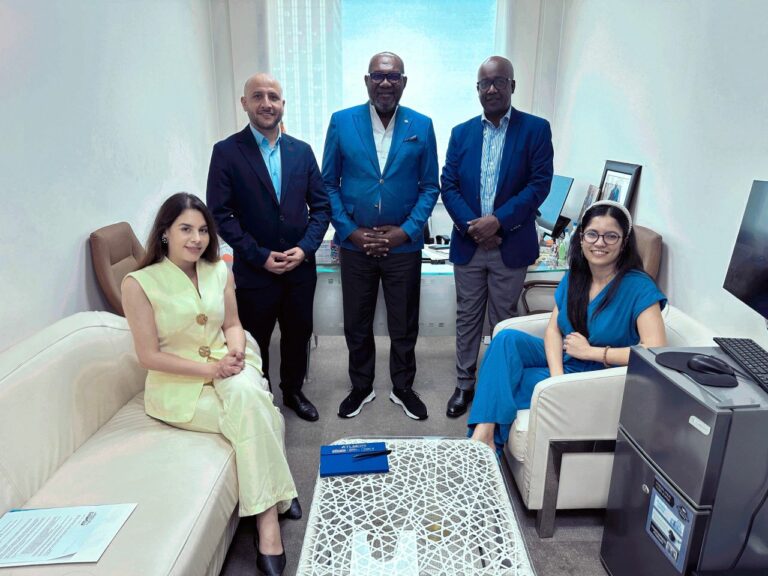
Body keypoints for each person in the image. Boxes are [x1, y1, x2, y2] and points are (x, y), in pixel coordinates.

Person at [122, 193, 299, 576]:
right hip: (179, 386)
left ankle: (268, 516)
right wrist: (210, 370)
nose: (196, 238)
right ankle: (275, 506)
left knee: (248, 395)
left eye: (203, 230)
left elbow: (232, 324)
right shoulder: (139, 283)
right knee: (256, 411)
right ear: (165, 232)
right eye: (186, 229)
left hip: (227, 363)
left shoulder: (219, 269)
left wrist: (234, 353)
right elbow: (148, 356)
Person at [468, 200, 668, 452]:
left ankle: (483, 441)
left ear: (624, 242)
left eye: (611, 236)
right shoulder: (576, 276)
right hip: (567, 356)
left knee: (502, 383)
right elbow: (554, 330)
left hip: (598, 371)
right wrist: (557, 377)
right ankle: (484, 436)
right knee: (506, 339)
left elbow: (655, 350)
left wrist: (593, 352)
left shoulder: (639, 286)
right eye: (592, 234)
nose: (600, 243)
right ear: (581, 238)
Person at [322, 52, 440, 420]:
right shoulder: (342, 122)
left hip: (403, 246)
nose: (385, 83)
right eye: (378, 76)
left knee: (403, 323)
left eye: (393, 76)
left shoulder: (422, 124)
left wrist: (405, 232)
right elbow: (328, 184)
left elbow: (430, 187)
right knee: (356, 321)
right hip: (355, 244)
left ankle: (403, 387)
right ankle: (361, 386)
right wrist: (351, 232)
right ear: (367, 80)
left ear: (403, 82)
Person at [207, 73, 330, 422]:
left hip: (299, 269)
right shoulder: (227, 152)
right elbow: (220, 214)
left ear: (282, 104)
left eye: (273, 97)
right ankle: (260, 395)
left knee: (297, 335)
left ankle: (293, 392)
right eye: (258, 96)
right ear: (244, 103)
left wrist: (304, 249)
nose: (266, 103)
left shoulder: (302, 152)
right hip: (255, 270)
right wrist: (259, 255)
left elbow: (322, 208)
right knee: (255, 339)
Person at [441, 56, 554, 418]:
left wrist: (498, 223)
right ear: (477, 89)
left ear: (512, 86)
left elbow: (539, 185)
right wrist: (473, 226)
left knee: (504, 321)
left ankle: (496, 384)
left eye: (499, 82)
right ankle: (464, 384)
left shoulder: (535, 129)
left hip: (511, 243)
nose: (491, 89)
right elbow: (449, 185)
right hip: (469, 243)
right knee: (467, 316)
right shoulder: (461, 133)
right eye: (484, 83)